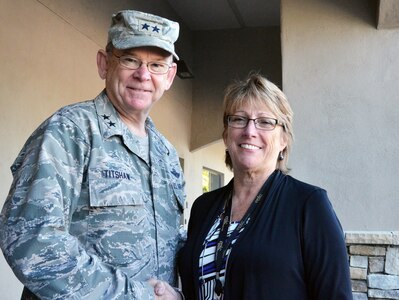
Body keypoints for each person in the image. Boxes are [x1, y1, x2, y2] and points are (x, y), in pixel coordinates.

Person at [0, 10, 185, 300]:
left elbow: (173, 243)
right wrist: (136, 296)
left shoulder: (167, 155)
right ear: (104, 64)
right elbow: (31, 240)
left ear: (170, 76)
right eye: (130, 59)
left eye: (156, 65)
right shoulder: (69, 131)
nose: (143, 74)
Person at [178, 73, 353, 299]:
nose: (250, 131)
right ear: (226, 134)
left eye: (265, 122)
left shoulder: (308, 205)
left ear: (283, 141)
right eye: (239, 119)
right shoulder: (203, 208)